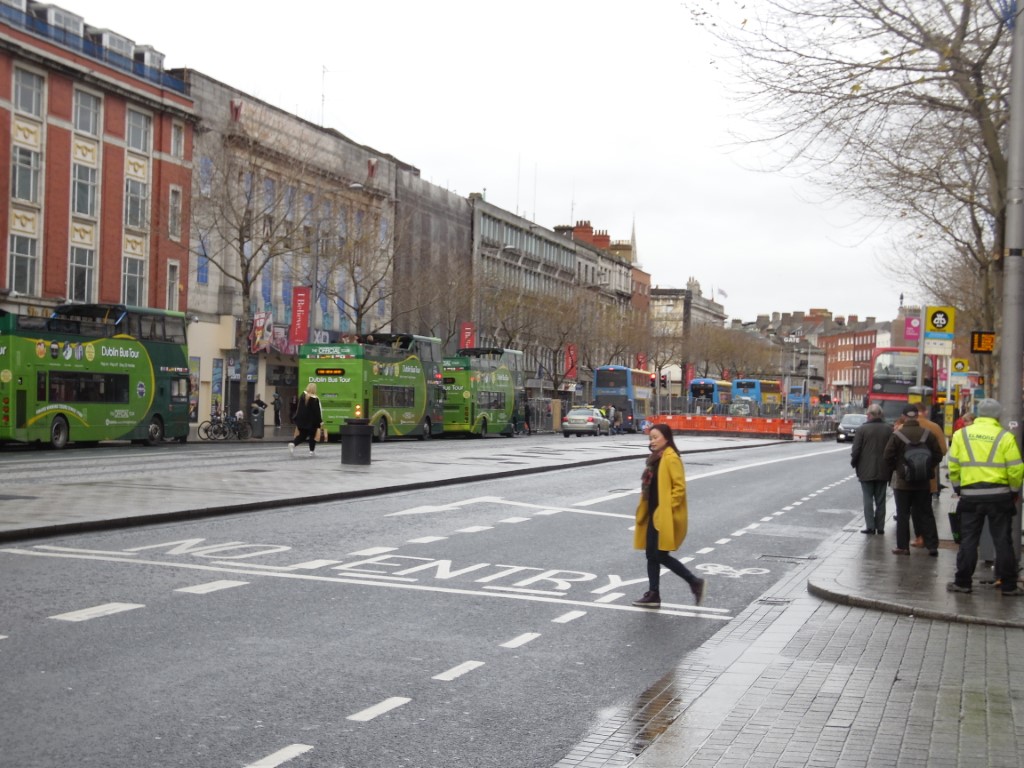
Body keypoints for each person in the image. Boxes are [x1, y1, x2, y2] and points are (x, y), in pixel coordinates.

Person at [946, 398, 1024, 596]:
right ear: (998, 415)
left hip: (970, 495)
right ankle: (1008, 585)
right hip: (999, 496)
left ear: (978, 413)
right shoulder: (1004, 437)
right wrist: (1014, 491)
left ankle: (963, 582)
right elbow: (1016, 469)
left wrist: (958, 488)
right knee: (1002, 541)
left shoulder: (961, 435)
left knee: (969, 540)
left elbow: (953, 465)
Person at [632, 423, 707, 608]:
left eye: (656, 437)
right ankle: (653, 594)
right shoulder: (654, 459)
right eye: (650, 438)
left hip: (663, 514)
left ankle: (694, 582)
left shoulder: (671, 457)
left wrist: (668, 508)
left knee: (660, 554)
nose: (653, 441)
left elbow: (679, 488)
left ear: (666, 437)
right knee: (651, 554)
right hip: (652, 512)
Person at [883, 403, 943, 556]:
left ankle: (903, 547)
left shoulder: (898, 434)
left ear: (903, 416)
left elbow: (887, 456)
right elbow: (938, 454)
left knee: (903, 514)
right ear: (917, 416)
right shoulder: (927, 434)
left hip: (903, 483)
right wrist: (927, 467)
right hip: (923, 481)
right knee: (926, 512)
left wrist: (898, 468)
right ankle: (932, 546)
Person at [850, 403, 893, 534]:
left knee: (868, 498)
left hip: (865, 469)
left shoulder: (862, 429)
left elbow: (856, 449)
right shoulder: (889, 429)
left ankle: (870, 526)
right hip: (884, 469)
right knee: (881, 499)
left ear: (869, 415)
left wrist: (854, 462)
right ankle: (880, 527)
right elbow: (892, 449)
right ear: (880, 414)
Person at [912, 404, 948, 548]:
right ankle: (931, 540)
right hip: (928, 475)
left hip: (909, 476)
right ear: (925, 412)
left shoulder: (903, 427)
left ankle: (919, 537)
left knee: (913, 509)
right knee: (926, 509)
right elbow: (943, 450)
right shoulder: (934, 427)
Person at [288, 382, 323, 457]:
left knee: (302, 435)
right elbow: (317, 412)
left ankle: (293, 444)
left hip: (301, 420)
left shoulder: (303, 396)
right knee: (312, 436)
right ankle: (311, 451)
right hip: (311, 422)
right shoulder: (315, 399)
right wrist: (320, 421)